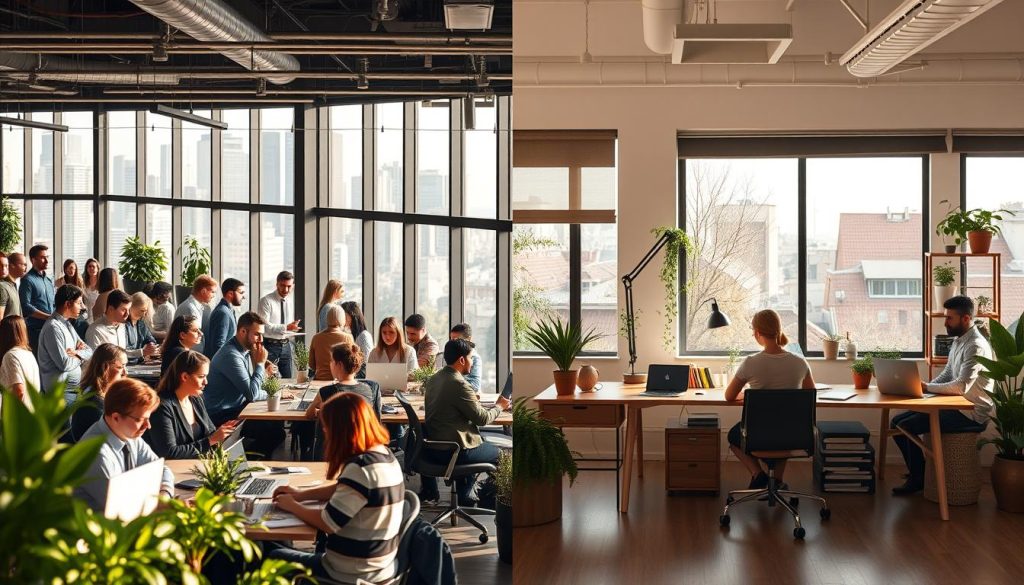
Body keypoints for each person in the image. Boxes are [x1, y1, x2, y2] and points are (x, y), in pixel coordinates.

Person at [267, 392, 404, 584]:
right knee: (280, 545)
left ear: (341, 429)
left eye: (327, 427)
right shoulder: (383, 455)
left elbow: (328, 522)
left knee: (270, 555)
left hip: (350, 572)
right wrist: (300, 495)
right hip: (380, 565)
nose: (325, 432)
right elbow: (342, 488)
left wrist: (292, 506)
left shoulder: (360, 469)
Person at [891, 295, 993, 495]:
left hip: (971, 413)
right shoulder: (959, 340)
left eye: (949, 318)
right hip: (956, 406)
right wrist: (921, 388)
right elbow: (948, 374)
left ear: (965, 319)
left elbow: (961, 386)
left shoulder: (975, 346)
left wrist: (928, 388)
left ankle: (918, 478)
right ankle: (918, 473)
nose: (945, 322)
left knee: (905, 426)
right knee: (896, 423)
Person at [724, 309, 815, 489]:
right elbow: (809, 395)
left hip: (757, 433)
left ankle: (758, 474)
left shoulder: (750, 362)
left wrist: (751, 395)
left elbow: (729, 396)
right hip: (792, 433)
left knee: (733, 436)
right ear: (778, 330)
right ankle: (777, 481)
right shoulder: (799, 362)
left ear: (757, 333)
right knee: (783, 428)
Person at [420, 339, 511, 505]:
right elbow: (482, 419)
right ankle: (487, 502)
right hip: (455, 450)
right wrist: (500, 406)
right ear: (462, 360)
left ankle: (464, 498)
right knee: (504, 457)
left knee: (477, 440)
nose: (472, 362)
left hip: (435, 447)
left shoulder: (435, 379)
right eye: (471, 358)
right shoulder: (459, 384)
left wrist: (470, 401)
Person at [73, 378, 174, 511]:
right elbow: (120, 507)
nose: (147, 426)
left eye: (148, 418)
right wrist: (163, 504)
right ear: (116, 417)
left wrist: (164, 494)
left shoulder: (129, 434)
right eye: (140, 419)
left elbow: (161, 469)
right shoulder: (94, 453)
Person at [205, 311, 287, 458]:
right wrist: (261, 365)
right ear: (243, 331)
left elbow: (254, 388)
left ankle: (255, 462)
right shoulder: (231, 355)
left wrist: (268, 380)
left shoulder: (245, 350)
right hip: (223, 415)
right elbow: (253, 394)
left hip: (240, 408)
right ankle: (249, 462)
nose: (261, 339)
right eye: (257, 334)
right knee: (275, 433)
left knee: (276, 424)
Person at [147, 350, 239, 459]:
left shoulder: (195, 399)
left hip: (197, 465)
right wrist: (211, 440)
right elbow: (169, 452)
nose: (206, 382)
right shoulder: (161, 406)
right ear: (185, 377)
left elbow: (210, 433)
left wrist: (223, 433)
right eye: (201, 377)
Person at [38, 284, 94, 404]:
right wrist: (81, 356)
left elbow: (89, 351)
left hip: (71, 390)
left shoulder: (66, 324)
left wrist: (76, 353)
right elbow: (64, 364)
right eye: (79, 303)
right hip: (60, 393)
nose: (82, 307)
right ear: (68, 304)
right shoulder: (53, 327)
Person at [69, 343, 128, 442]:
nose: (125, 373)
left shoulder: (104, 396)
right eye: (121, 367)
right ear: (105, 367)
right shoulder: (93, 405)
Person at [305, 343, 380, 419]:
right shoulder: (371, 389)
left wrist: (321, 411)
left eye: (332, 361)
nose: (330, 364)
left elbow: (309, 414)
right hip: (363, 430)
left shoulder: (326, 392)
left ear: (339, 365)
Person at [86, 289, 158, 362]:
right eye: (123, 310)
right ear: (111, 309)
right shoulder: (96, 330)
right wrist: (141, 352)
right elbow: (94, 360)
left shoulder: (122, 326)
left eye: (128, 310)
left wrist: (143, 352)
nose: (127, 314)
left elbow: (121, 353)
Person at [256, 270, 302, 378]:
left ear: (293, 286)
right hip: (270, 346)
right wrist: (286, 327)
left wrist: (292, 329)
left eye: (289, 286)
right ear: (277, 284)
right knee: (270, 381)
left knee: (288, 379)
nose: (286, 289)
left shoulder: (290, 301)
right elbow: (265, 327)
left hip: (286, 345)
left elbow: (286, 326)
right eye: (282, 285)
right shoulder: (266, 301)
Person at [18, 244, 55, 352]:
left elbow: (53, 304)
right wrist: (47, 317)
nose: (47, 260)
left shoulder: (48, 281)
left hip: (51, 329)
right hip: (35, 331)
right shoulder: (27, 280)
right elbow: (25, 306)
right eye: (43, 257)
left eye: (47, 257)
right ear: (33, 260)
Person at [0, 315, 40, 412]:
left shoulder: (10, 356)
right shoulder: (28, 353)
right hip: (32, 413)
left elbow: (19, 391)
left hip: (18, 419)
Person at [308, 305, 354, 381]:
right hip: (340, 381)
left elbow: (311, 364)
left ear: (327, 318)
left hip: (320, 381)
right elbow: (351, 363)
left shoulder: (316, 338)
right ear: (343, 319)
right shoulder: (348, 338)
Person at [175, 274, 216, 354]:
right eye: (212, 292)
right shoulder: (189, 308)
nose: (213, 295)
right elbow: (190, 337)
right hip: (190, 355)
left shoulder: (199, 306)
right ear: (203, 291)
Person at [204, 277, 245, 359]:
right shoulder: (223, 313)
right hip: (220, 364)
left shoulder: (227, 310)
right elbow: (219, 345)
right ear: (230, 294)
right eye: (241, 293)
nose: (243, 297)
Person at [125, 292, 159, 363]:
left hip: (139, 363)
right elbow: (123, 350)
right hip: (128, 363)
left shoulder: (141, 324)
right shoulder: (123, 325)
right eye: (142, 310)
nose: (144, 314)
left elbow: (150, 339)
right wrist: (142, 352)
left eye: (145, 311)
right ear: (131, 307)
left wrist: (151, 345)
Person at [341, 301, 372, 376]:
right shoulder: (350, 335)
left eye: (343, 315)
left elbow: (366, 363)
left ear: (352, 315)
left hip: (361, 378)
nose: (341, 318)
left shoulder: (363, 336)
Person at [450, 323, 481, 393]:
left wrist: (450, 386)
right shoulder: (449, 354)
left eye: (457, 340)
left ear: (469, 339)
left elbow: (475, 385)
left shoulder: (474, 358)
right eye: (452, 340)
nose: (453, 344)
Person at [0, 254, 22, 319]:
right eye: (0, 265)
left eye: (6, 265)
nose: (4, 269)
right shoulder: (2, 287)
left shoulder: (11, 284)